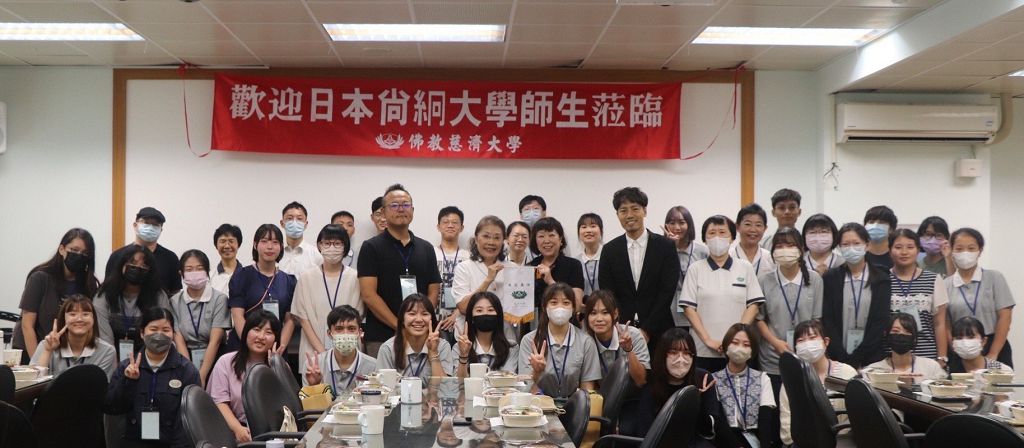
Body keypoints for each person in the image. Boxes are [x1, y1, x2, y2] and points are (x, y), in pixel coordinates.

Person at [358, 184, 442, 357]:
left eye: (405, 205)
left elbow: (434, 291)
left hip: (420, 335)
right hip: (382, 336)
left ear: (413, 210)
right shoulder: (371, 247)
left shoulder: (426, 248)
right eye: (394, 205)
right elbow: (368, 295)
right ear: (383, 212)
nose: (401, 209)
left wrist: (419, 321)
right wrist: (400, 326)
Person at [104, 307, 200, 448]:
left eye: (166, 330)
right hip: (133, 442)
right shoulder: (126, 367)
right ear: (142, 333)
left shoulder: (187, 371)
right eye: (153, 329)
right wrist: (128, 381)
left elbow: (188, 420)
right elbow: (112, 407)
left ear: (173, 334)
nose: (159, 335)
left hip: (170, 444)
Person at [679, 215, 764, 373]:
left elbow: (753, 305)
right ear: (705, 239)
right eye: (712, 233)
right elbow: (688, 309)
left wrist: (736, 338)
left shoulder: (745, 267)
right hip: (703, 349)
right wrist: (708, 340)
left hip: (738, 349)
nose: (717, 237)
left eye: (722, 232)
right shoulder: (695, 269)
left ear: (732, 238)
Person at [599, 187, 680, 346]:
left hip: (660, 330)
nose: (629, 215)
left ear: (645, 211)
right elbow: (608, 293)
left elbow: (667, 291)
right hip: (622, 331)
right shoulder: (609, 250)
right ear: (617, 215)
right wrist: (623, 327)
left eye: (635, 209)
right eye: (623, 211)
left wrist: (647, 330)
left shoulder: (665, 247)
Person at [627, 328, 729, 447]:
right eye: (674, 352)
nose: (681, 359)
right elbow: (644, 430)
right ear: (662, 355)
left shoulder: (703, 379)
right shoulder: (652, 379)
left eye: (687, 353)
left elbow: (708, 432)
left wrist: (697, 402)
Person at [14, 228, 100, 364]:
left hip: (65, 354)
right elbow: (27, 325)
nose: (79, 255)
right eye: (75, 250)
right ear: (62, 249)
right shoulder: (40, 278)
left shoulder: (88, 283)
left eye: (85, 253)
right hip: (32, 350)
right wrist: (37, 364)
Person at [756, 227, 823, 398]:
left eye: (791, 245)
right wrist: (775, 343)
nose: (785, 250)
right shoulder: (765, 280)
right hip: (772, 358)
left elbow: (816, 319)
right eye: (780, 246)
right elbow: (759, 319)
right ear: (773, 251)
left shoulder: (814, 279)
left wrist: (807, 344)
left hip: (806, 355)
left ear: (801, 249)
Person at [293, 224, 361, 376]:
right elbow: (303, 318)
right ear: (319, 245)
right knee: (315, 389)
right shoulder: (306, 278)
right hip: (313, 351)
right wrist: (322, 352)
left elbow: (357, 317)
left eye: (337, 243)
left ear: (345, 247)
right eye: (327, 243)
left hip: (348, 350)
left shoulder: (355, 277)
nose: (332, 248)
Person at [821, 223, 891, 369]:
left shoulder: (882, 279)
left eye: (856, 243)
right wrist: (842, 355)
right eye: (845, 244)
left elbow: (880, 321)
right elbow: (828, 320)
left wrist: (858, 356)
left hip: (872, 357)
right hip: (838, 357)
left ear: (867, 245)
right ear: (839, 247)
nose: (851, 248)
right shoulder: (830, 278)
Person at [779, 319, 857, 447]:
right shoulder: (792, 379)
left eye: (812, 338)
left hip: (842, 442)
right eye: (801, 341)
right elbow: (786, 419)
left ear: (826, 342)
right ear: (796, 348)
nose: (807, 344)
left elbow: (854, 417)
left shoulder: (847, 373)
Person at [944, 227, 1014, 367]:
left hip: (992, 344)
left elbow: (1005, 318)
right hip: (960, 347)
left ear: (980, 250)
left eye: (971, 248)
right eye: (959, 249)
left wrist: (993, 353)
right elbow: (945, 323)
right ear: (951, 251)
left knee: (996, 381)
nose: (965, 253)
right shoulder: (945, 284)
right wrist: (956, 349)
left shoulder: (994, 278)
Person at [207, 311, 281, 443]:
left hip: (273, 434)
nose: (261, 336)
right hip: (232, 433)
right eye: (256, 329)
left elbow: (284, 406)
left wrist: (275, 367)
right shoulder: (226, 362)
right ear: (246, 332)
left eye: (268, 332)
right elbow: (219, 402)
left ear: (276, 339)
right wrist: (238, 429)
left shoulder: (280, 367)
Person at [520, 283, 601, 398]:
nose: (560, 308)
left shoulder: (586, 342)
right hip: (539, 404)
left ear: (573, 308)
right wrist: (537, 373)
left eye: (566, 303)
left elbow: (587, 389)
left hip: (574, 404)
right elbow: (526, 388)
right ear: (545, 307)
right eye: (554, 303)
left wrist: (580, 406)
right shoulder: (529, 340)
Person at [95, 245, 174, 362]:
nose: (137, 268)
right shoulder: (104, 294)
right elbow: (105, 338)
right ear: (122, 265)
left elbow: (163, 331)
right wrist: (116, 367)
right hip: (111, 356)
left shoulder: (158, 296)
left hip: (150, 356)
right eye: (133, 263)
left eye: (144, 266)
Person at [227, 224, 297, 353]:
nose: (270, 247)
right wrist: (250, 346)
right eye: (264, 241)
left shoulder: (289, 281)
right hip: (244, 347)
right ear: (255, 245)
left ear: (281, 247)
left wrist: (279, 347)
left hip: (275, 349)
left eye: (275, 242)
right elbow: (237, 315)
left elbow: (290, 320)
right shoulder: (241, 276)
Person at [451, 216, 520, 341]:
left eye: (497, 238)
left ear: (503, 241)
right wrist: (488, 280)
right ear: (477, 239)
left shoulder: (513, 268)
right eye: (486, 236)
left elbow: (521, 309)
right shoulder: (464, 268)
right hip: (469, 339)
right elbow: (463, 307)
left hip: (505, 338)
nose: (491, 242)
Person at [168, 250, 230, 385]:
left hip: (216, 358)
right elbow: (178, 339)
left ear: (207, 271)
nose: (194, 273)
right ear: (181, 273)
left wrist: (202, 375)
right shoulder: (174, 301)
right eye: (189, 269)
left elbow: (215, 340)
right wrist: (190, 373)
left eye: (200, 268)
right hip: (185, 359)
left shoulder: (220, 299)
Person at [889, 229, 948, 363]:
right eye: (898, 247)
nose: (904, 252)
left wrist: (942, 357)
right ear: (890, 251)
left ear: (917, 250)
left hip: (927, 357)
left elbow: (939, 323)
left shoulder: (933, 279)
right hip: (890, 358)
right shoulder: (883, 279)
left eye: (910, 247)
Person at [712, 323, 776, 448]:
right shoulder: (714, 379)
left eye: (746, 345)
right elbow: (718, 421)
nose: (740, 348)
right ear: (726, 346)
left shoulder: (763, 378)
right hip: (724, 440)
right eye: (735, 343)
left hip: (755, 438)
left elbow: (766, 420)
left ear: (752, 351)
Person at [30, 294, 117, 379]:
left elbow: (100, 385)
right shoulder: (46, 345)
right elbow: (33, 382)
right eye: (73, 314)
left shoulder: (107, 351)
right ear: (64, 319)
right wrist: (48, 351)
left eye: (85, 314)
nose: (79, 319)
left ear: (93, 319)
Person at [106, 207, 181, 296]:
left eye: (155, 225)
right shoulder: (118, 256)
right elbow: (108, 288)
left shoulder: (170, 258)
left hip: (159, 304)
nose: (150, 227)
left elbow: (175, 292)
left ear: (160, 230)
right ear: (135, 225)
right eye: (146, 223)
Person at [377, 294, 454, 381]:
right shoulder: (388, 349)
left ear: (432, 319)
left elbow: (444, 386)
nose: (418, 320)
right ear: (402, 319)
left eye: (424, 314)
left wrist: (433, 353)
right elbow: (383, 386)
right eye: (412, 314)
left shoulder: (442, 346)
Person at [304, 305, 378, 394]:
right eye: (339, 329)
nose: (345, 334)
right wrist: (314, 386)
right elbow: (308, 403)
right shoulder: (313, 366)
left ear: (359, 332)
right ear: (329, 333)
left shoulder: (373, 366)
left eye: (351, 329)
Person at [583, 291, 650, 386]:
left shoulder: (633, 335)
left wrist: (629, 350)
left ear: (615, 314)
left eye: (605, 313)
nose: (599, 319)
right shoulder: (584, 342)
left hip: (632, 393)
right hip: (599, 394)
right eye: (593, 313)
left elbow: (641, 380)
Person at [662, 205, 709, 330]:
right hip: (669, 311)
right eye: (672, 223)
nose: (677, 227)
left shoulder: (703, 251)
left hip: (698, 309)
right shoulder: (661, 251)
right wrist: (670, 248)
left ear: (689, 225)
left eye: (682, 223)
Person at [865, 313, 946, 384]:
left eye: (907, 331)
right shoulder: (873, 370)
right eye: (895, 331)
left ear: (914, 338)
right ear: (887, 335)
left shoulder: (932, 367)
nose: (901, 334)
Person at [454, 291, 518, 376]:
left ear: (498, 316)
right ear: (471, 317)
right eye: (479, 310)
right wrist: (463, 355)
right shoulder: (459, 347)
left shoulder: (511, 347)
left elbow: (509, 378)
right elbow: (459, 382)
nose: (485, 314)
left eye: (490, 310)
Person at [529, 217, 585, 311]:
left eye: (551, 235)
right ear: (535, 241)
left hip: (565, 319)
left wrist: (551, 282)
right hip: (535, 319)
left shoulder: (573, 265)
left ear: (560, 239)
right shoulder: (530, 266)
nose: (547, 241)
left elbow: (577, 306)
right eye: (541, 236)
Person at [948, 316, 1013, 374]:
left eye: (971, 337)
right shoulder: (948, 371)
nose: (964, 342)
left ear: (983, 341)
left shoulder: (1002, 371)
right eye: (959, 338)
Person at [436, 206, 469, 313]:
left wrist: (458, 312)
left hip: (461, 315)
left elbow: (472, 288)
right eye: (446, 222)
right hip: (433, 314)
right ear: (438, 227)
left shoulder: (469, 256)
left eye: (455, 222)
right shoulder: (430, 253)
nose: (450, 225)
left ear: (461, 227)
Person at [278, 201, 323, 276]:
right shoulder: (275, 252)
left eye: (299, 219)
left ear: (306, 224)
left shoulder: (316, 255)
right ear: (282, 223)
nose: (294, 222)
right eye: (290, 218)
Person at [732, 203, 775, 277]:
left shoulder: (770, 259)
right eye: (748, 224)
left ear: (765, 228)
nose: (753, 230)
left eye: (758, 225)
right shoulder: (728, 256)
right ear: (737, 227)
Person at [209, 224, 244, 296]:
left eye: (231, 241)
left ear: (238, 244)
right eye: (223, 241)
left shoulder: (248, 275)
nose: (227, 246)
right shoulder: (209, 276)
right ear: (216, 245)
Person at [575, 213, 604, 298]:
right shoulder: (575, 262)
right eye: (584, 227)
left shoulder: (609, 257)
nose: (588, 230)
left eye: (593, 226)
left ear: (601, 231)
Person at [863, 205, 897, 270]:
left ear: (891, 229)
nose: (875, 226)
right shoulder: (858, 255)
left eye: (882, 222)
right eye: (871, 222)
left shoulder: (897, 256)